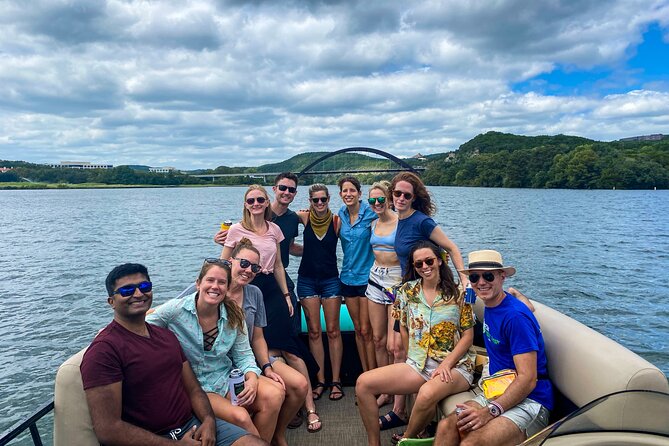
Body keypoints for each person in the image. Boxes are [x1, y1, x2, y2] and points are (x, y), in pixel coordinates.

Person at [80, 263, 266, 446]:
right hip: (153, 437)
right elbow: (108, 430)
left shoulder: (166, 337)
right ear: (111, 301)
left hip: (191, 424)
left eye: (144, 287)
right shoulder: (103, 351)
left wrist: (209, 421)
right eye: (127, 290)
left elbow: (194, 390)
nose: (138, 294)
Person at [146, 260, 284, 443]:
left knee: (275, 395)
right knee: (241, 416)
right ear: (198, 284)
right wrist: (109, 333)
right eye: (210, 280)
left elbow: (244, 354)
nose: (215, 287)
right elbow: (141, 323)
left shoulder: (234, 314)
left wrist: (251, 377)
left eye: (221, 282)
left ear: (227, 288)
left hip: (224, 376)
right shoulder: (176, 310)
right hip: (194, 385)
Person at [356, 241, 477, 446]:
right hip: (419, 364)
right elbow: (402, 325)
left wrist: (447, 364)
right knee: (363, 384)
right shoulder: (406, 292)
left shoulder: (458, 294)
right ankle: (373, 443)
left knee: (426, 392)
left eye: (429, 261)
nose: (424, 267)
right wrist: (413, 354)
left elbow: (468, 336)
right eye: (418, 264)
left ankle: (406, 440)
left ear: (439, 261)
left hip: (455, 367)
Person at [433, 250, 552, 446]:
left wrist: (491, 411)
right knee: (447, 426)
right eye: (474, 277)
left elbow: (528, 379)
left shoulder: (515, 318)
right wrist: (520, 296)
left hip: (531, 401)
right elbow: (521, 307)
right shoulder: (492, 304)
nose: (481, 282)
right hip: (497, 390)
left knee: (471, 443)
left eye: (488, 276)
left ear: (502, 276)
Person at [225, 239, 316, 441]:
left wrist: (267, 366)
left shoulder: (254, 293)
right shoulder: (216, 291)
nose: (248, 270)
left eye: (255, 267)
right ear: (231, 260)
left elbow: (257, 338)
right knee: (275, 393)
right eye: (244, 263)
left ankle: (277, 433)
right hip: (228, 365)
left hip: (254, 358)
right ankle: (260, 440)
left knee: (300, 385)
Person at [215, 173, 303, 335]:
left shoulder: (286, 222)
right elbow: (224, 262)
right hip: (246, 281)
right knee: (248, 330)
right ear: (275, 190)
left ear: (266, 202)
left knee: (286, 324)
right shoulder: (236, 229)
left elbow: (280, 261)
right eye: (251, 201)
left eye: (260, 200)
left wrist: (286, 295)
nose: (256, 203)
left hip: (272, 280)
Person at [365, 181, 409, 429]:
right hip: (374, 280)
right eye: (372, 201)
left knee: (396, 346)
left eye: (380, 199)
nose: (377, 204)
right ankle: (385, 388)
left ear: (389, 199)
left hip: (396, 283)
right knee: (378, 340)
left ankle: (397, 404)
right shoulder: (372, 223)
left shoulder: (401, 223)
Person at [295, 184, 344, 401]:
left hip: (331, 280)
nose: (320, 204)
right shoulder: (304, 218)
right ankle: (320, 380)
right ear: (310, 201)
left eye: (323, 199)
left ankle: (336, 381)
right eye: (315, 200)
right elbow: (276, 217)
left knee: (333, 331)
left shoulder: (337, 221)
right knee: (314, 332)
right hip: (306, 281)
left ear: (329, 199)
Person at [390, 172, 468, 286]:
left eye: (407, 195)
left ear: (414, 198)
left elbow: (452, 248)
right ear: (392, 193)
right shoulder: (399, 219)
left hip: (429, 288)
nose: (401, 198)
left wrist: (463, 279)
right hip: (411, 288)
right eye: (397, 193)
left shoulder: (422, 222)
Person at [338, 176, 377, 372]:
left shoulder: (371, 213)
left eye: (352, 190)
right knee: (358, 331)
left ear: (360, 194)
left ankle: (374, 375)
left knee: (366, 330)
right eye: (345, 191)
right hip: (347, 278)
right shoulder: (340, 215)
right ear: (340, 194)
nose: (348, 194)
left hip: (367, 279)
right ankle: (364, 375)